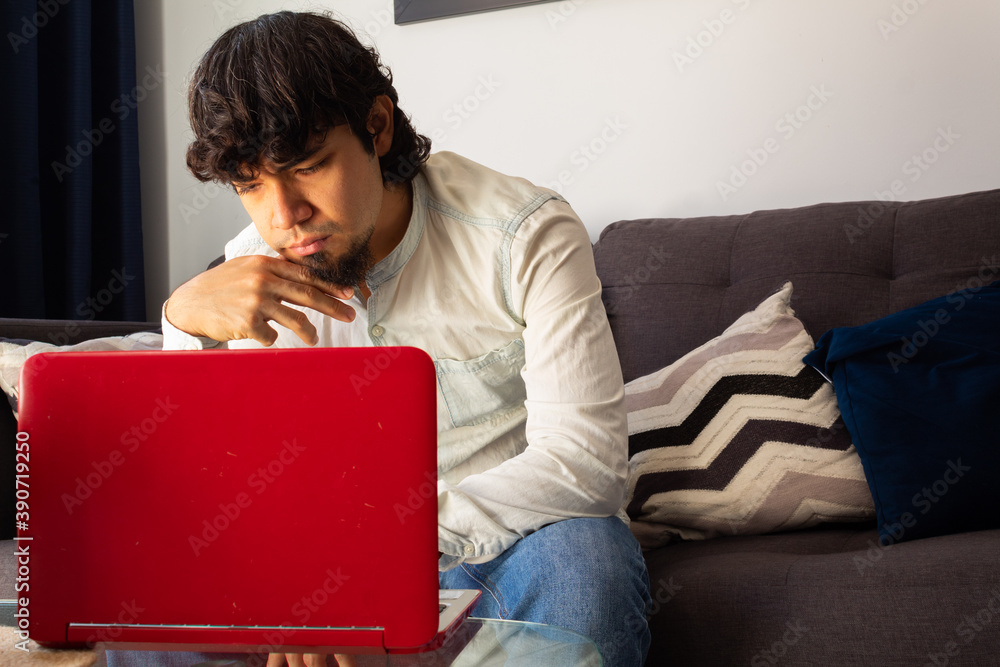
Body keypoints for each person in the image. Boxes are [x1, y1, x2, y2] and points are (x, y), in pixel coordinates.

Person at [161, 10, 651, 666]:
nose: (283, 215)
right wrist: (181, 323)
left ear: (378, 127)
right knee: (154, 615)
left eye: (307, 166)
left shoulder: (524, 235)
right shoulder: (251, 274)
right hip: (328, 579)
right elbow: (214, 490)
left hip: (502, 562)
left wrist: (375, 542)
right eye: (251, 185)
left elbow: (586, 466)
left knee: (585, 560)